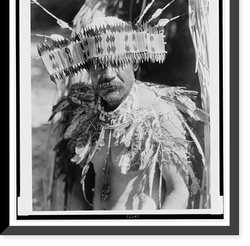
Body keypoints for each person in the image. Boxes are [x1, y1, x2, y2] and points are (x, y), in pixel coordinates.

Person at [38, 16, 207, 210]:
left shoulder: (158, 113)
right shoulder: (86, 112)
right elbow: (77, 185)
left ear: (134, 63)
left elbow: (179, 192)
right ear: (88, 70)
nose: (108, 75)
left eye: (117, 62)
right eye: (98, 66)